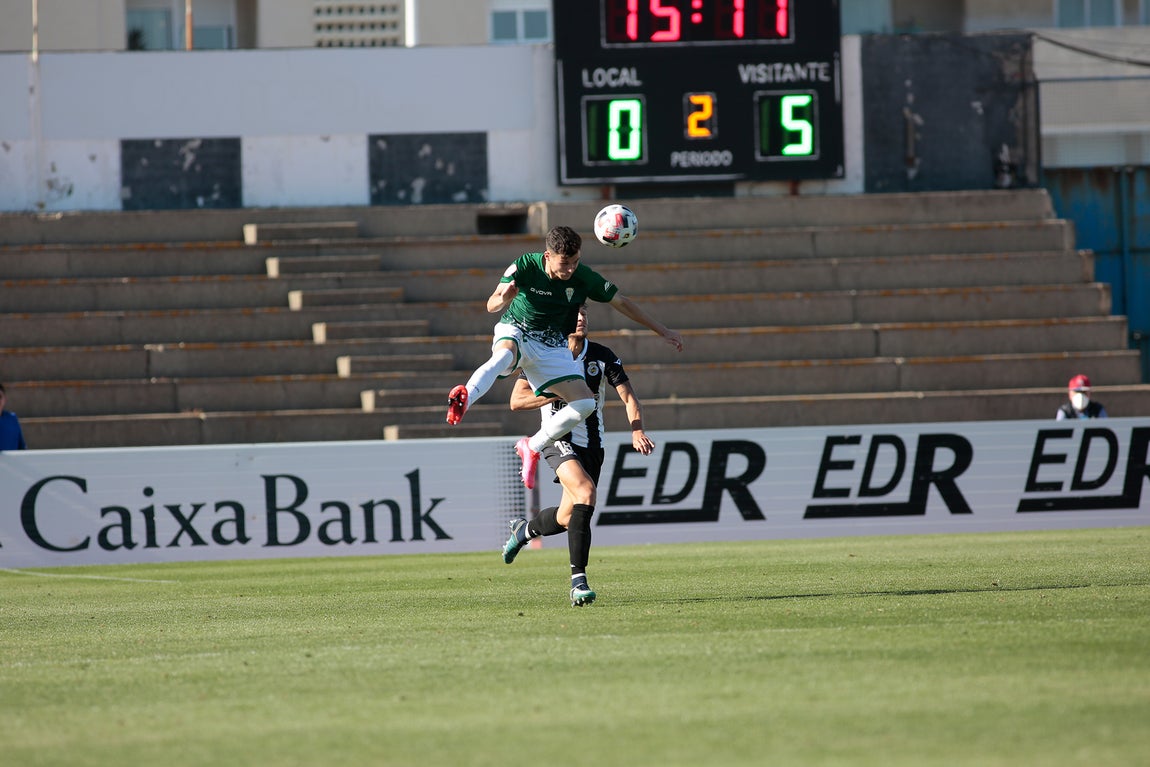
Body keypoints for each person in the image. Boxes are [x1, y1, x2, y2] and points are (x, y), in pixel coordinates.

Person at [444, 225, 681, 492]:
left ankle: (531, 447)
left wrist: (663, 330)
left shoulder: (583, 277)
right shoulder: (525, 264)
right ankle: (465, 398)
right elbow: (492, 304)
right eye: (565, 263)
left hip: (551, 346)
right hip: (517, 328)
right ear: (548, 256)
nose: (570, 269)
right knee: (503, 355)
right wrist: (504, 297)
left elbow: (622, 302)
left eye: (575, 262)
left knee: (584, 403)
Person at [500, 305, 654, 606]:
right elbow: (516, 401)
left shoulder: (602, 355)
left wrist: (637, 430)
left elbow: (629, 397)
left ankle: (524, 530)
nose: (581, 318)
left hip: (593, 447)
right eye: (574, 314)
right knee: (586, 492)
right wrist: (562, 392)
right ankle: (578, 581)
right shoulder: (543, 353)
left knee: (566, 516)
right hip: (555, 439)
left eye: (584, 314)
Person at [0, 383, 28, 451]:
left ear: (5, 399)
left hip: (11, 461)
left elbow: (21, 447)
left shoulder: (12, 418)